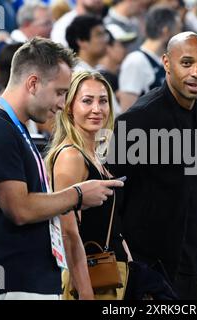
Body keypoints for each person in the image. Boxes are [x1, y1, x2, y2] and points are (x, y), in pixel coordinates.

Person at [0, 38, 124, 300]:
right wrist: (77, 194)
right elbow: (19, 209)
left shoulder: (14, 128)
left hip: (34, 281)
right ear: (33, 83)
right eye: (60, 92)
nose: (62, 103)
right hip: (15, 283)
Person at [108, 32, 197, 299]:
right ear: (166, 63)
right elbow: (114, 199)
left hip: (194, 269)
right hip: (150, 272)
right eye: (187, 63)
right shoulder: (138, 119)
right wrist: (133, 267)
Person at [46, 71, 130, 300]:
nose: (97, 109)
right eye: (87, 100)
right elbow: (68, 232)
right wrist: (85, 291)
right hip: (91, 280)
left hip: (112, 274)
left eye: (103, 101)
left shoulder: (95, 155)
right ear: (69, 107)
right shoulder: (70, 156)